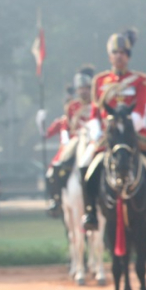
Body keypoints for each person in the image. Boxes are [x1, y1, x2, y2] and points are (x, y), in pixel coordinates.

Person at [79, 29, 146, 231]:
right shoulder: (100, 81)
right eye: (115, 52)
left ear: (128, 56)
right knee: (85, 162)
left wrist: (130, 127)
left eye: (122, 52)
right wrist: (98, 131)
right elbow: (95, 111)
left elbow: (140, 109)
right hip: (108, 133)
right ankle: (90, 211)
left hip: (134, 131)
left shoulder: (140, 80)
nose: (119, 56)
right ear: (110, 56)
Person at [40, 65, 96, 216]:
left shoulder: (97, 103)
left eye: (86, 88)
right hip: (77, 140)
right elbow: (69, 128)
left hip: (94, 140)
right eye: (80, 88)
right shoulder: (73, 107)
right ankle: (56, 199)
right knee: (56, 168)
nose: (83, 91)